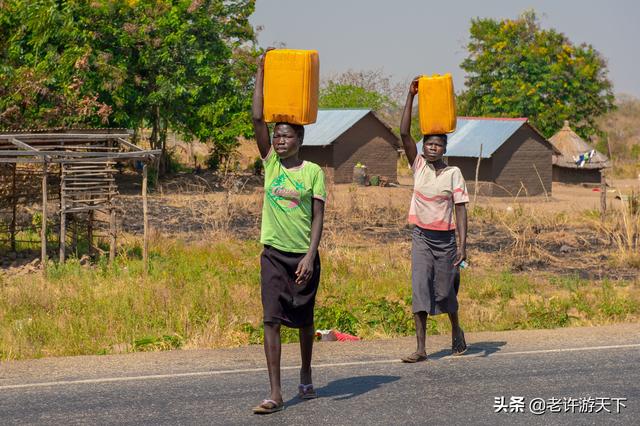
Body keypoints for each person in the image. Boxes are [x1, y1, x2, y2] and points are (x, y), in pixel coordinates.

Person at [251, 48, 326, 414]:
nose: (279, 141)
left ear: (300, 139)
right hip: (273, 255)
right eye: (276, 136)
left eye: (286, 136)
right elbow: (255, 118)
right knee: (271, 320)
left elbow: (317, 217)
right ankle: (276, 393)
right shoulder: (270, 165)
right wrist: (262, 71)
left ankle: (307, 371)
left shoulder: (313, 172)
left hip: (303, 257)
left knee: (304, 320)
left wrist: (311, 256)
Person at [398, 76, 469, 363]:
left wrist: (463, 245)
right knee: (419, 288)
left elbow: (461, 210)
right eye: (428, 144)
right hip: (421, 237)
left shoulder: (454, 174)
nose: (432, 148)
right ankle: (421, 348)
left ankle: (455, 328)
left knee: (445, 291)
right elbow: (403, 133)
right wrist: (410, 97)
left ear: (445, 149)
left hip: (446, 241)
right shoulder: (418, 166)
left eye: (437, 145)